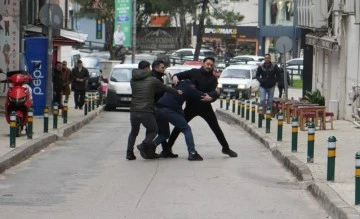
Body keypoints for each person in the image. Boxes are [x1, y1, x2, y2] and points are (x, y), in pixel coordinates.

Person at [164, 57, 238, 158]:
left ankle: (226, 148)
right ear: (203, 63)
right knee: (179, 126)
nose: (209, 66)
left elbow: (215, 93)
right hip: (191, 106)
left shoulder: (213, 78)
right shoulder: (194, 72)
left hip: (205, 107)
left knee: (216, 128)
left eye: (211, 65)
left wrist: (211, 98)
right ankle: (168, 148)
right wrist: (175, 76)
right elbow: (179, 76)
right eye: (207, 64)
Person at [127, 60, 182, 160]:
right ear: (147, 68)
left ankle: (129, 153)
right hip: (146, 110)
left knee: (134, 132)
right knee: (154, 130)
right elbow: (166, 88)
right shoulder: (153, 80)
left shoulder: (133, 80)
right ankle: (143, 145)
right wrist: (177, 91)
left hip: (134, 110)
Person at [153, 80, 207, 161]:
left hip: (158, 109)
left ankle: (148, 146)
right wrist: (216, 93)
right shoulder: (190, 89)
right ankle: (192, 153)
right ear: (194, 85)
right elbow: (204, 96)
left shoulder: (179, 84)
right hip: (169, 110)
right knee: (186, 129)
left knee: (164, 134)